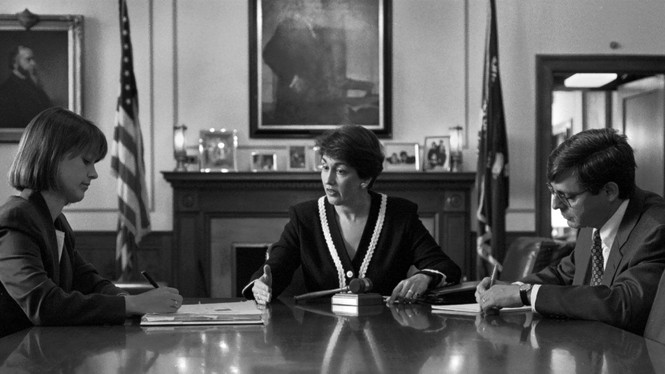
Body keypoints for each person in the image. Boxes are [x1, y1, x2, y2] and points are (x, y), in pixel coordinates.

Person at [0, 107, 183, 335]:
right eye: (86, 161)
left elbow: (88, 281)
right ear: (51, 158)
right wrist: (133, 305)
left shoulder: (55, 221)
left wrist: (128, 300)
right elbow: (43, 305)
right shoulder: (16, 218)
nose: (94, 173)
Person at [243, 124, 461, 304]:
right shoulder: (305, 217)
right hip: (319, 342)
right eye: (324, 167)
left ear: (365, 179)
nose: (328, 180)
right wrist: (263, 283)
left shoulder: (399, 215)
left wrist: (424, 277)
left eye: (340, 171)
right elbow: (276, 268)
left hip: (389, 339)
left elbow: (446, 267)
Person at [475, 128, 665, 335]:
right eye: (553, 192)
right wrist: (511, 287)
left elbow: (622, 304)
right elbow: (563, 274)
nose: (556, 205)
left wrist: (525, 294)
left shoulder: (656, 229)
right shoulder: (592, 219)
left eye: (567, 196)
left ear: (609, 191)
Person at [262, 0, 375, 125]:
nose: (318, 8)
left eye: (319, 5)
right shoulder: (288, 26)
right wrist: (292, 78)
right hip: (295, 103)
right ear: (301, 6)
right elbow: (269, 54)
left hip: (316, 102)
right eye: (313, 4)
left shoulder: (318, 30)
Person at [0, 45, 53, 129]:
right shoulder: (6, 90)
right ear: (15, 63)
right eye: (28, 59)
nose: (33, 63)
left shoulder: (35, 87)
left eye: (33, 59)